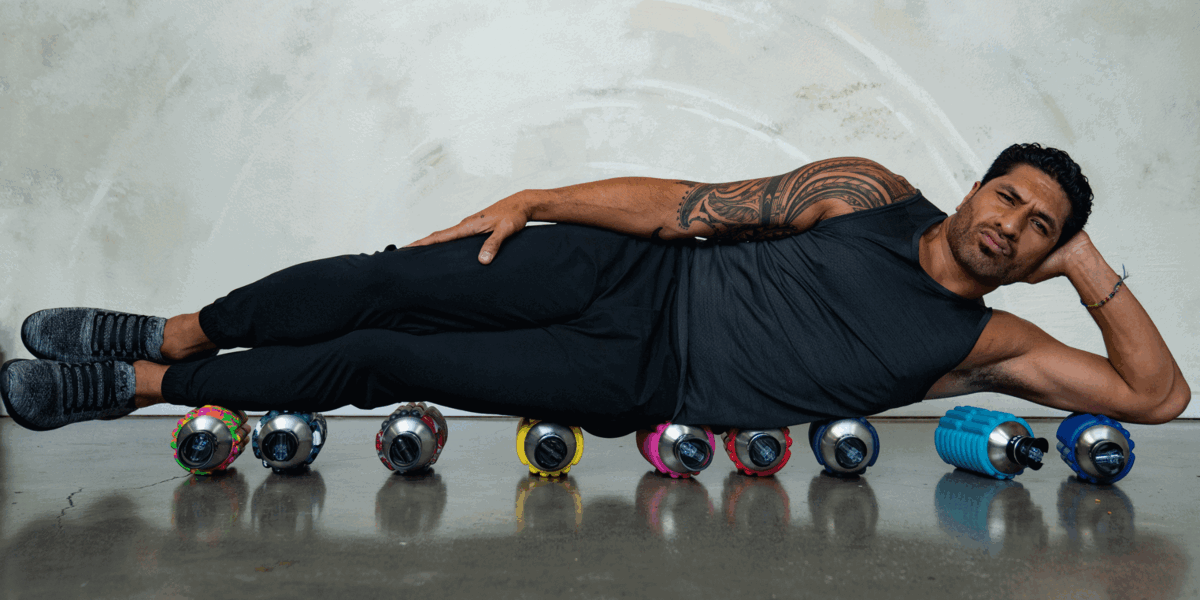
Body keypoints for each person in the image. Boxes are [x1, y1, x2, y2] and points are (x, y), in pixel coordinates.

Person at [1, 144, 1190, 437]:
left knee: (387, 356)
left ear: (1043, 254)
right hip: (630, 269)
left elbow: (1156, 398)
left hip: (637, 375)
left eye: (1038, 228)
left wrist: (1088, 263)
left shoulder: (988, 342)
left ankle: (136, 384)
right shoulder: (864, 192)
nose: (1010, 224)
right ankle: (171, 330)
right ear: (976, 184)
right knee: (385, 281)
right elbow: (685, 205)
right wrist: (539, 200)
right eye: (1008, 196)